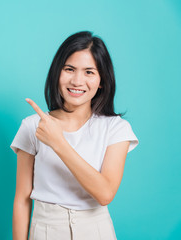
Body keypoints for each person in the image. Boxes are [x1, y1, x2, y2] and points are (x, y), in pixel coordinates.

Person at [10, 31, 139, 240]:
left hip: (97, 230)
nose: (78, 81)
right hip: (45, 230)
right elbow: (22, 199)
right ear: (57, 73)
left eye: (89, 72)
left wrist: (58, 143)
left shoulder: (116, 128)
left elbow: (105, 193)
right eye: (69, 69)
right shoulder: (32, 126)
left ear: (102, 80)